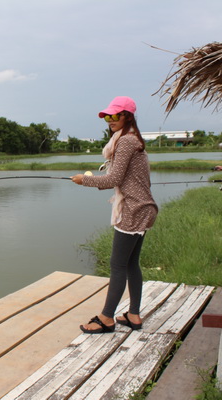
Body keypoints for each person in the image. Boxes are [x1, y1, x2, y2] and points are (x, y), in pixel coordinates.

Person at [71, 96, 158, 334]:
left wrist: (83, 180)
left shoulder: (127, 141)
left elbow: (114, 179)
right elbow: (122, 178)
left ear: (126, 116)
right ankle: (133, 314)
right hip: (143, 207)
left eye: (113, 116)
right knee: (131, 264)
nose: (109, 120)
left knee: (117, 265)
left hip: (133, 209)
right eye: (106, 117)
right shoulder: (131, 139)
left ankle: (107, 318)